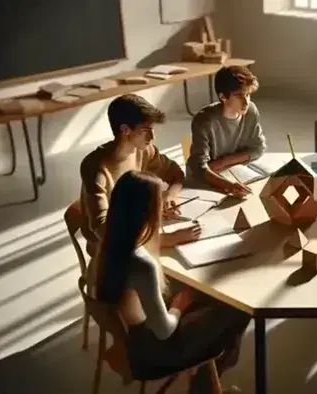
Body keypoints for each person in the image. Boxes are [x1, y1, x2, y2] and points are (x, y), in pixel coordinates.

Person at [95, 170, 250, 391]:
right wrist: (179, 306)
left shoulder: (110, 244)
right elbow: (164, 331)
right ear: (146, 212)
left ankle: (205, 381)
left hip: (133, 337)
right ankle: (205, 386)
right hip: (154, 351)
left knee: (209, 302)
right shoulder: (142, 265)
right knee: (238, 309)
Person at [80, 94, 201, 290]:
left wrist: (169, 197)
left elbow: (176, 174)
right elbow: (106, 233)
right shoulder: (96, 167)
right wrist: (169, 239)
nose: (152, 138)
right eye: (146, 131)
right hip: (112, 252)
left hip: (140, 231)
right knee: (188, 285)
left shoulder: (145, 150)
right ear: (125, 130)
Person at [187, 65, 266, 197]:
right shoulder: (204, 120)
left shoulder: (251, 111)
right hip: (206, 180)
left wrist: (224, 161)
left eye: (248, 94)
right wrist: (229, 186)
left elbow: (258, 148)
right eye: (239, 95)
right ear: (223, 96)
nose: (246, 101)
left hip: (233, 170)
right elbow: (200, 168)